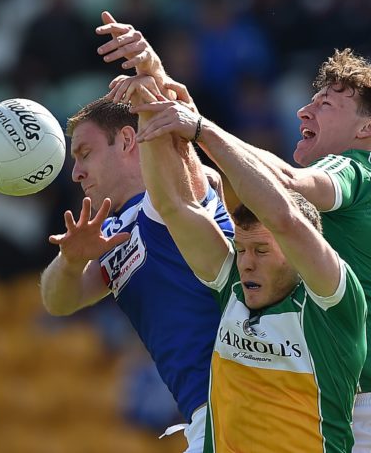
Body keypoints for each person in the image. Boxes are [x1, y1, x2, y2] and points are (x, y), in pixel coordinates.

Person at [97, 13, 371, 451]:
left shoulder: (357, 167)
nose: (304, 110)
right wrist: (157, 81)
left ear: (366, 129)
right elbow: (194, 195)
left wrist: (197, 125)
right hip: (348, 401)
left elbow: (280, 191)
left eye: (325, 104)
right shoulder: (350, 189)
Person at [128, 80, 367, 452]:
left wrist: (200, 129)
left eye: (261, 250)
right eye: (241, 250)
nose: (247, 264)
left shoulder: (332, 304)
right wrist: (146, 113)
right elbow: (174, 205)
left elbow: (285, 219)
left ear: (297, 254)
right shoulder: (233, 289)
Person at [39, 97, 234, 453]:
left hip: (246, 397)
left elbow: (180, 158)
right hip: (208, 415)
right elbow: (58, 302)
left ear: (128, 140)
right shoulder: (113, 232)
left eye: (85, 153)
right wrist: (70, 261)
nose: (76, 172)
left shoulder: (178, 193)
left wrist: (147, 75)